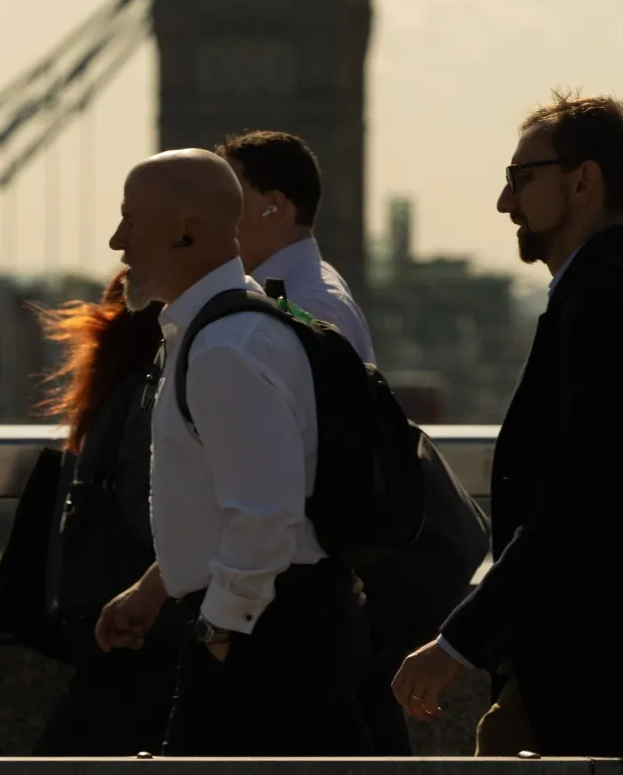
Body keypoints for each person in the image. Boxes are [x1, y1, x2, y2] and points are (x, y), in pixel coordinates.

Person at [390, 93, 623, 757]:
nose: (505, 203)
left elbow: (583, 503)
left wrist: (458, 640)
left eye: (520, 178)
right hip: (617, 669)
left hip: (616, 680)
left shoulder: (611, 301)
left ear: (583, 181)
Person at [92, 150, 370, 756]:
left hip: (265, 636)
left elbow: (266, 513)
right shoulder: (242, 323)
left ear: (185, 230)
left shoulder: (225, 349)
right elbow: (228, 499)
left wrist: (219, 628)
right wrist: (159, 588)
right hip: (279, 624)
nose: (117, 242)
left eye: (129, 221)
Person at [216, 127, 418, 753]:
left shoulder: (300, 304)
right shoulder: (307, 289)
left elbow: (309, 464)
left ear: (273, 205)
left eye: (231, 195)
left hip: (294, 597)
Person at [23, 272, 182, 754]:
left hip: (97, 635)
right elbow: (160, 524)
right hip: (142, 639)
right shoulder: (153, 402)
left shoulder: (105, 398)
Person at [217, 129, 375, 363]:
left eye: (228, 199)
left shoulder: (309, 306)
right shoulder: (305, 291)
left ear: (273, 206)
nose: (213, 215)